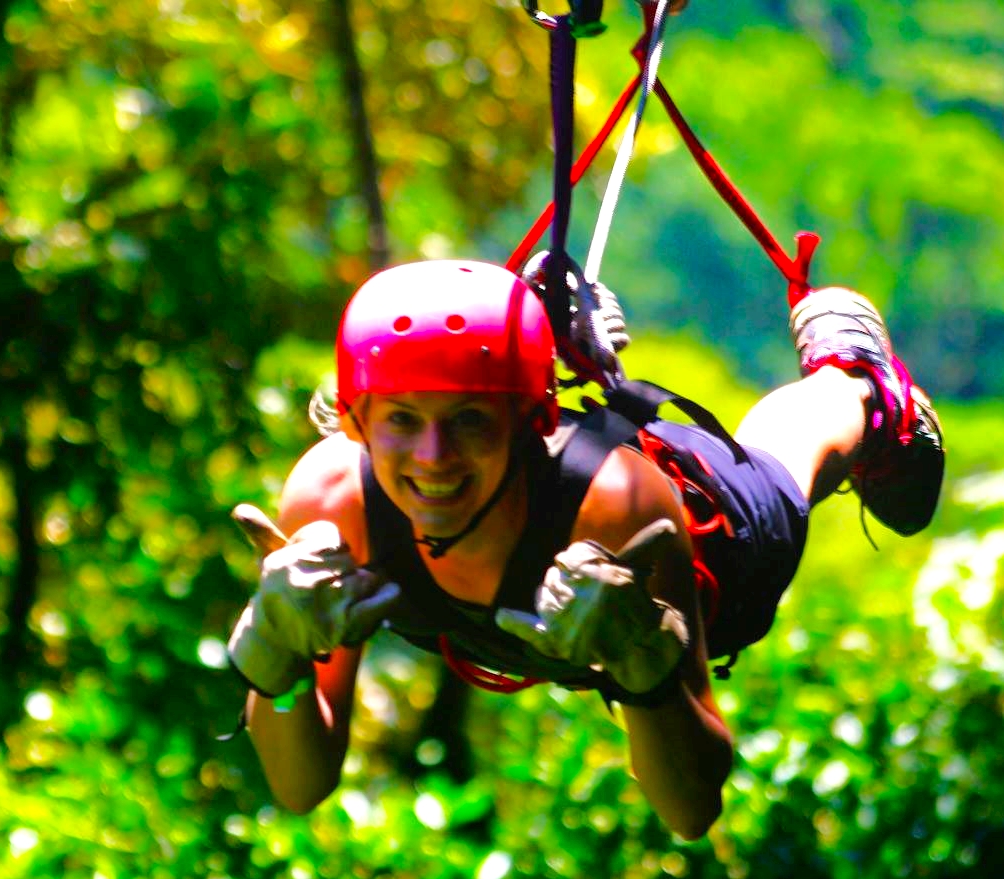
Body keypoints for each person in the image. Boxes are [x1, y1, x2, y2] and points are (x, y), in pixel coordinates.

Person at [225, 259, 944, 839]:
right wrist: (277, 658)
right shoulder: (332, 505)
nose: (434, 456)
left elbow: (692, 809)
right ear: (355, 419)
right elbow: (300, 784)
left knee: (786, 456)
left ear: (531, 420)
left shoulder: (617, 507)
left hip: (718, 550)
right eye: (403, 420)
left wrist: (646, 663)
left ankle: (855, 381)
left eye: (471, 420)